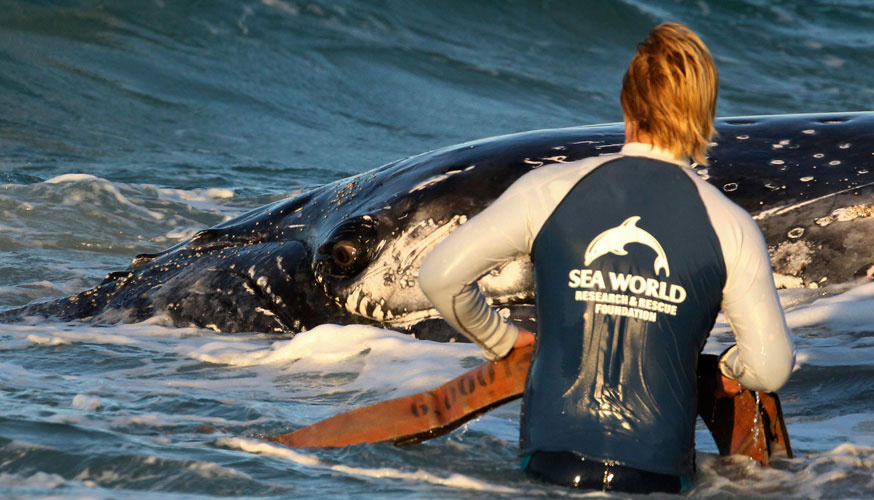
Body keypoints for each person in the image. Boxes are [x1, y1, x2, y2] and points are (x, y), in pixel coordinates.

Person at [419, 22, 795, 494]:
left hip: (551, 464)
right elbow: (772, 366)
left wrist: (502, 340)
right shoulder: (730, 224)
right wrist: (721, 372)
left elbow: (439, 277)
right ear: (704, 113)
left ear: (626, 101)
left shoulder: (549, 189)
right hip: (658, 477)